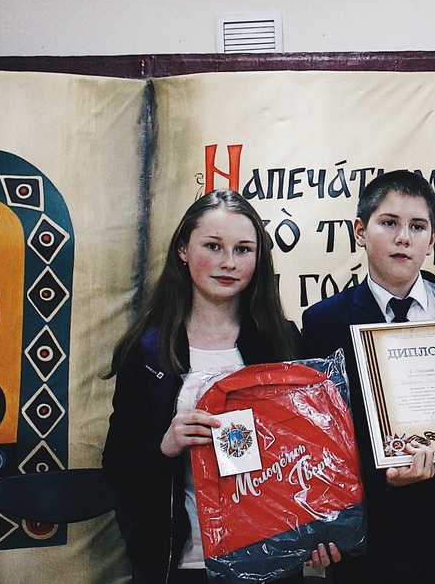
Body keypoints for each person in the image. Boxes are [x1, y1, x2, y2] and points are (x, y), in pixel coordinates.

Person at [102, 189, 337, 583]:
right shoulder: (146, 350)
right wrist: (166, 445)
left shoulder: (283, 341)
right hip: (184, 562)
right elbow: (117, 469)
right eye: (213, 246)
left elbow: (315, 452)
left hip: (272, 557)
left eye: (243, 250)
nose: (229, 263)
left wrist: (321, 525)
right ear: (183, 249)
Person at [300, 169, 435, 584]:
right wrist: (382, 479)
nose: (403, 237)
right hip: (371, 545)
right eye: (389, 223)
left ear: (433, 238)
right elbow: (324, 444)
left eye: (417, 227)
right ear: (360, 231)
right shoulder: (323, 323)